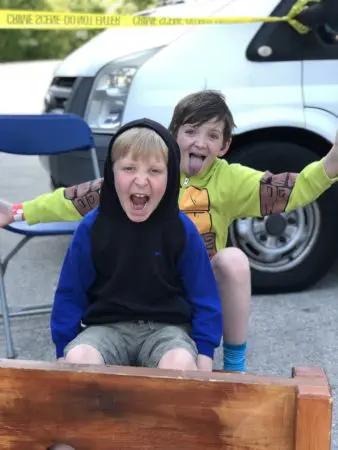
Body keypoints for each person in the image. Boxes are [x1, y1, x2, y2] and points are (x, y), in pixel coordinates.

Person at [2, 90, 338, 372]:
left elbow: (287, 190)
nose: (200, 142)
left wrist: (330, 165)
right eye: (191, 130)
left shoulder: (230, 179)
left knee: (233, 260)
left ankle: (234, 366)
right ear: (174, 133)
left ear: (224, 145)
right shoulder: (147, 173)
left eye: (213, 135)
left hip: (191, 292)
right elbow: (77, 198)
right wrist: (18, 211)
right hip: (136, 290)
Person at [51, 118, 222, 372]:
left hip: (167, 330)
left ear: (171, 175)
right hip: (106, 328)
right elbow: (70, 294)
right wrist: (63, 349)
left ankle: (162, 412)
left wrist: (205, 353)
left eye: (154, 171)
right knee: (80, 359)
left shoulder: (181, 230)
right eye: (129, 168)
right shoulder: (92, 228)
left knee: (180, 364)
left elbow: (204, 298)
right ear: (111, 172)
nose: (141, 181)